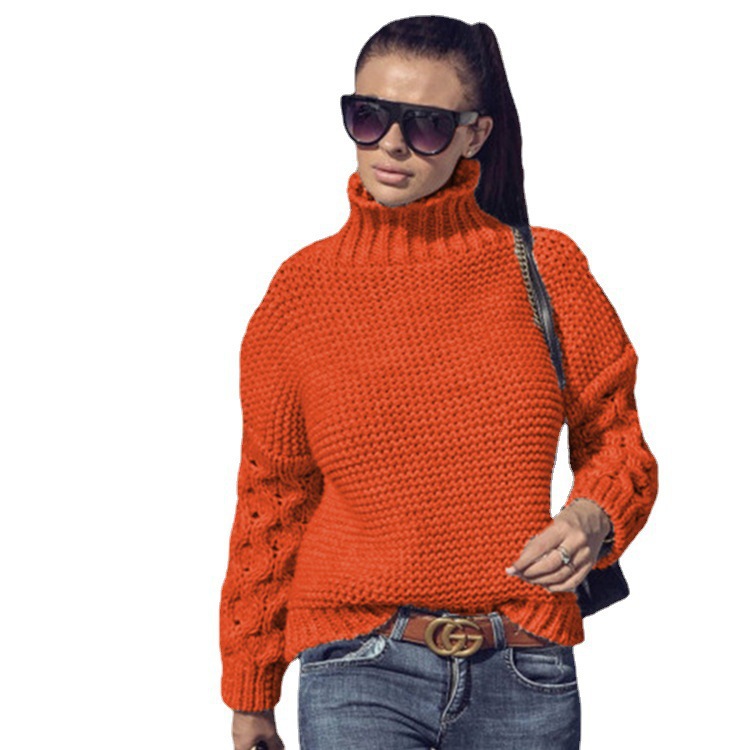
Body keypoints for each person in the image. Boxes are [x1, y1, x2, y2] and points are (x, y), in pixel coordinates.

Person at [219, 15, 658, 750]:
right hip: (356, 666)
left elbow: (619, 443)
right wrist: (250, 693)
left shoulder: (546, 270)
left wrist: (595, 515)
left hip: (525, 666)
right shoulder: (301, 294)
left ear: (474, 134)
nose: (391, 143)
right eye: (369, 116)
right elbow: (272, 500)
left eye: (425, 125)